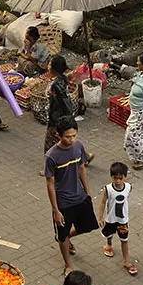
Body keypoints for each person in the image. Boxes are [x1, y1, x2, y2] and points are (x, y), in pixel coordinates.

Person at [45, 117, 99, 276]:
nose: (72, 139)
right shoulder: (51, 156)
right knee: (62, 236)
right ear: (58, 135)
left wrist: (88, 193)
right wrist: (55, 210)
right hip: (63, 203)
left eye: (74, 135)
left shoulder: (78, 146)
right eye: (68, 136)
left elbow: (82, 168)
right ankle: (68, 264)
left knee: (87, 226)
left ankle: (66, 237)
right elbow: (49, 184)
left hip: (81, 197)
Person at [42, 56, 93, 175]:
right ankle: (85, 155)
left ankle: (49, 169)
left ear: (53, 68)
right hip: (63, 116)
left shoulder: (56, 85)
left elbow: (64, 101)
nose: (48, 66)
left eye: (49, 64)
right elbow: (68, 76)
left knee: (50, 143)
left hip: (57, 117)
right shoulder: (62, 79)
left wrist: (67, 117)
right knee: (67, 139)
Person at [97, 162, 137, 276]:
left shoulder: (128, 187)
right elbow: (103, 202)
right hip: (110, 218)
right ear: (111, 177)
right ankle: (108, 245)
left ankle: (126, 261)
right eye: (115, 178)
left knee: (124, 240)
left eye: (120, 178)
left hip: (123, 220)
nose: (118, 181)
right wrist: (101, 217)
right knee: (108, 233)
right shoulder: (108, 189)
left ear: (125, 176)